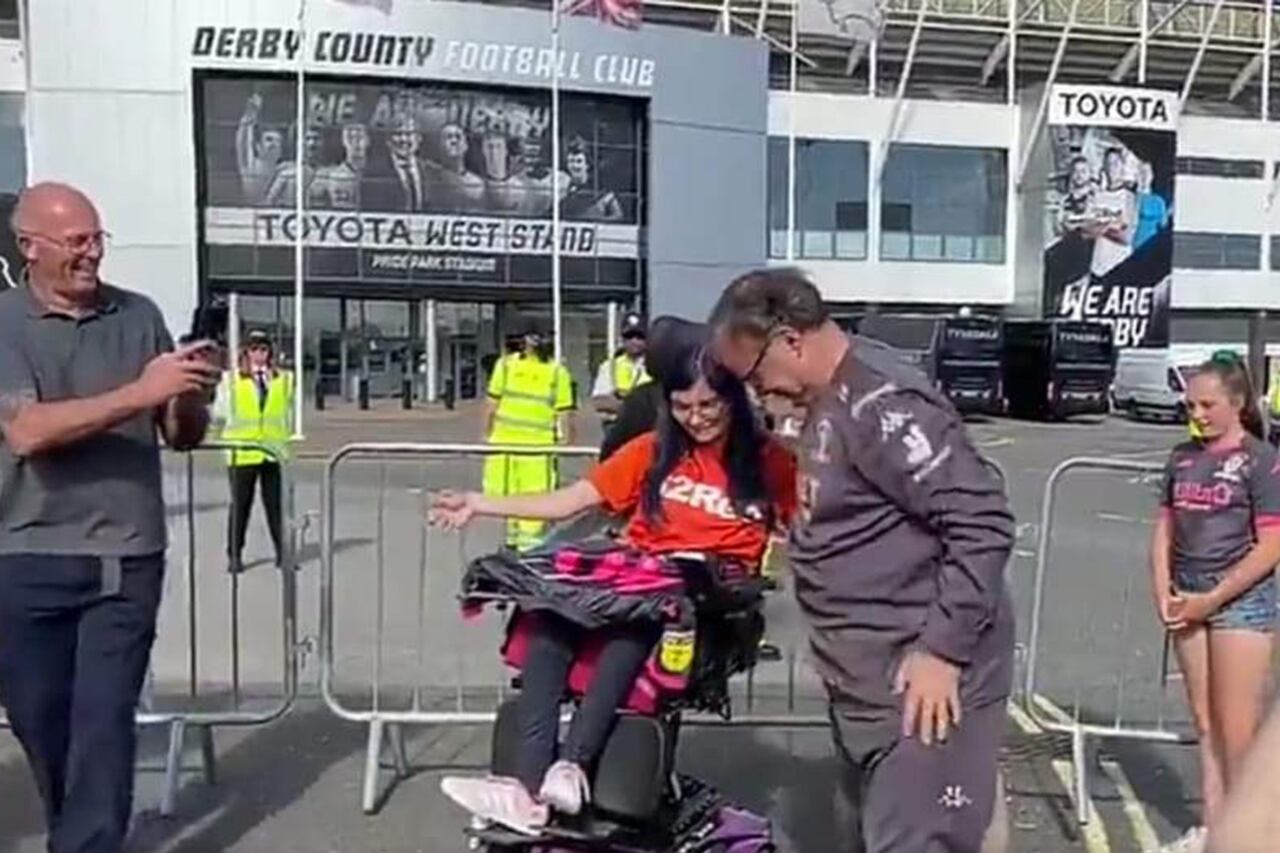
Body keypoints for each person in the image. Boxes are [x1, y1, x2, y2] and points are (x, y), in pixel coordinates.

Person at [431, 317, 797, 834]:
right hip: (635, 573)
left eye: (709, 406)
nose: (696, 418)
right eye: (683, 407)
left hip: (702, 592)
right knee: (550, 613)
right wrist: (479, 503)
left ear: (734, 400)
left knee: (636, 614)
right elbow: (572, 502)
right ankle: (523, 787)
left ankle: (573, 764)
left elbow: (814, 528)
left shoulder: (770, 463)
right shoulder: (652, 451)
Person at [708, 267, 1016, 853]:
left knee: (913, 839)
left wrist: (942, 652)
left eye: (754, 376)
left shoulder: (883, 403)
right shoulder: (832, 397)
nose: (757, 393)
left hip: (919, 685)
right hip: (867, 687)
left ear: (790, 341)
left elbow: (980, 521)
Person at [0, 182, 220, 853]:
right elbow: (28, 431)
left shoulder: (139, 313)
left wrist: (186, 392)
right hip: (25, 551)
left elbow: (179, 434)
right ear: (28, 246)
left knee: (103, 719)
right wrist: (142, 389)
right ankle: (77, 828)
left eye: (97, 238)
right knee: (41, 720)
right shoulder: (4, 323)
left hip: (126, 555)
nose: (92, 253)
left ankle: (86, 843)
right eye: (76, 241)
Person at [1149, 352, 1280, 853]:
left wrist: (1214, 599)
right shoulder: (1182, 457)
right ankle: (1212, 829)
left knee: (1236, 729)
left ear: (1238, 403)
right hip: (1188, 597)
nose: (1197, 414)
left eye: (1207, 405)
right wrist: (1163, 589)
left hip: (1238, 604)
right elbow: (1164, 530)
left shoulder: (1259, 461)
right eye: (1191, 405)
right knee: (1204, 723)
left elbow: (1270, 545)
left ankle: (1251, 837)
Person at [482, 324, 576, 551]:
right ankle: (513, 545)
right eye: (534, 337)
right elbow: (492, 403)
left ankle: (528, 551)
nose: (538, 343)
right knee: (507, 495)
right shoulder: (505, 366)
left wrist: (566, 441)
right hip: (505, 445)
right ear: (524, 340)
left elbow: (564, 409)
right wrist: (486, 434)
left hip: (538, 448)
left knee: (535, 499)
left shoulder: (557, 372)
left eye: (542, 338)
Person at [215, 329, 296, 572]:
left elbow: (289, 412)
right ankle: (234, 555)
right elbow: (220, 413)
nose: (259, 354)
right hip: (242, 452)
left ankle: (283, 554)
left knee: (275, 506)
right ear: (246, 353)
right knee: (241, 507)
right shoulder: (231, 380)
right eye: (254, 350)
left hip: (272, 450)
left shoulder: (283, 379)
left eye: (263, 349)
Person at [590, 312, 651, 427]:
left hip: (645, 429)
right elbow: (598, 401)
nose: (634, 341)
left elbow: (660, 404)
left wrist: (617, 404)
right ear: (622, 339)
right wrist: (633, 408)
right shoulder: (609, 366)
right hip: (614, 427)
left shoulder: (656, 365)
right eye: (629, 336)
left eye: (639, 337)